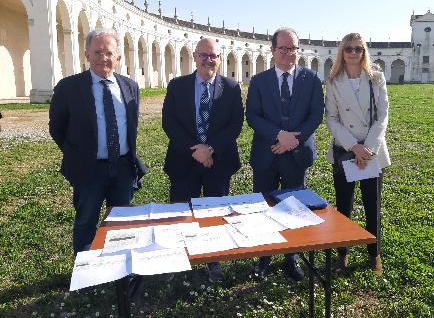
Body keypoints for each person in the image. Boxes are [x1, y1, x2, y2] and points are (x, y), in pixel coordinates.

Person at [49, 28, 146, 255]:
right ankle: (84, 269)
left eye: (109, 53)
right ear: (87, 55)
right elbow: (57, 128)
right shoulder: (68, 87)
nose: (104, 57)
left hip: (122, 166)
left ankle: (118, 265)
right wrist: (78, 153)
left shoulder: (130, 86)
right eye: (98, 52)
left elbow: (131, 125)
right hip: (88, 168)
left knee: (121, 221)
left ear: (118, 58)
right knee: (86, 220)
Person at [162, 38, 244, 282]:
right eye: (203, 55)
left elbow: (235, 124)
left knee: (214, 213)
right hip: (183, 160)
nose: (209, 60)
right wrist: (195, 150)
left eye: (214, 56)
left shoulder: (230, 87)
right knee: (180, 212)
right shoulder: (177, 85)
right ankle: (178, 257)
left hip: (218, 162)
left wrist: (210, 149)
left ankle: (213, 260)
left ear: (220, 59)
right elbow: (169, 122)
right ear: (195, 57)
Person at [246, 27, 324, 281]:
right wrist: (279, 135)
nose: (289, 53)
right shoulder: (259, 81)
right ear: (273, 51)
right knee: (264, 206)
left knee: (294, 207)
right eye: (283, 48)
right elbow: (253, 116)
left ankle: (292, 258)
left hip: (296, 154)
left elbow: (316, 115)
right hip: (267, 152)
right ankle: (264, 258)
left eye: (293, 48)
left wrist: (291, 140)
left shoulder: (311, 79)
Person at [325, 32, 390, 276]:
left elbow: (382, 116)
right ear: (342, 52)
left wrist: (368, 148)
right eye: (349, 48)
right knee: (344, 205)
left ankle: (374, 254)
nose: (353, 53)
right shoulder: (333, 81)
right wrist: (354, 146)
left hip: (371, 150)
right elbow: (331, 119)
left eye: (358, 49)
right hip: (346, 149)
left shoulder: (376, 78)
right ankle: (343, 253)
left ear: (364, 52)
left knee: (372, 205)